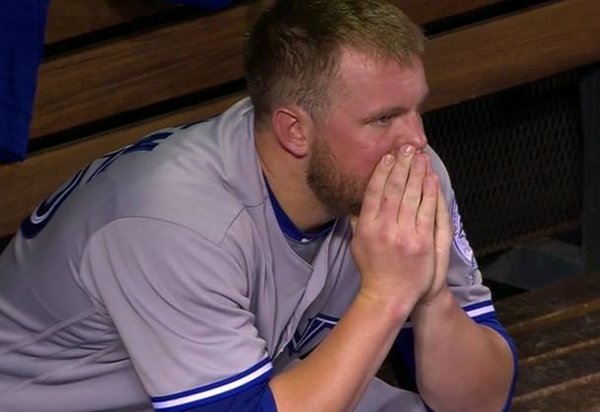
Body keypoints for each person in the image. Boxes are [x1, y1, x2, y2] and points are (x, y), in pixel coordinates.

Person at [0, 0, 517, 410]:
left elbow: (480, 402)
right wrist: (385, 295)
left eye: (415, 109)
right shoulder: (172, 222)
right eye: (383, 119)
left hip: (245, 382)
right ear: (295, 129)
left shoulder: (396, 174)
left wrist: (429, 300)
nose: (415, 141)